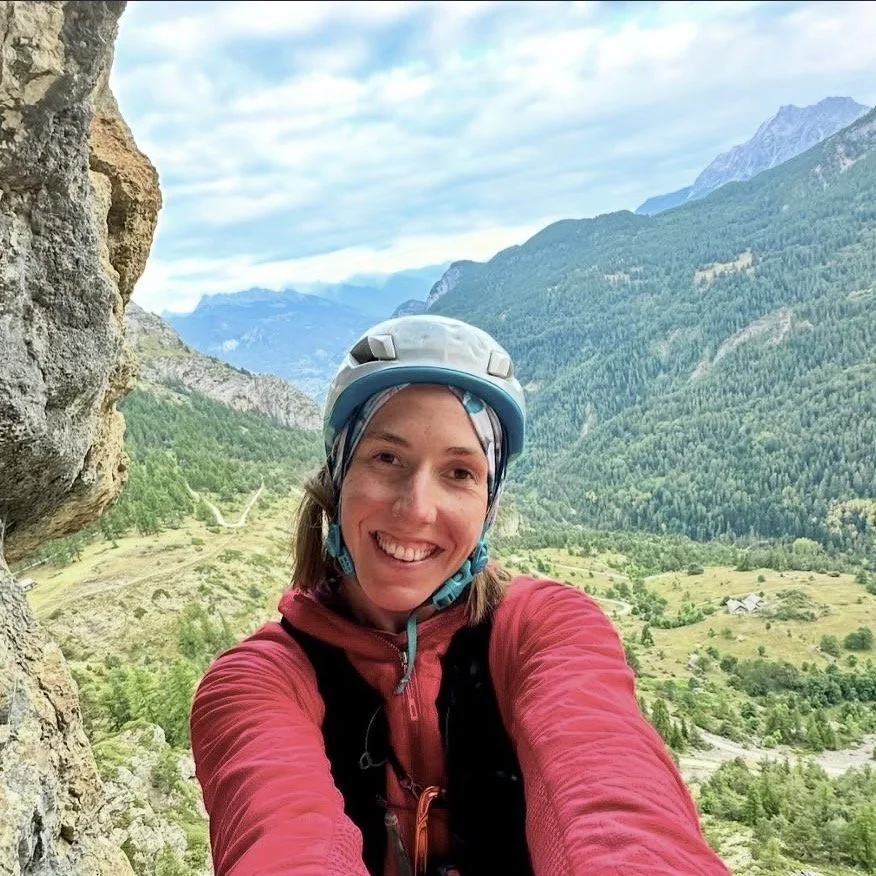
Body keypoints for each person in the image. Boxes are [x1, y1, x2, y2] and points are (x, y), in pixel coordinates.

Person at [190, 314, 730, 876]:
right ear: (339, 474)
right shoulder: (257, 682)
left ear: (488, 505)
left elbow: (616, 804)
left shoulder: (546, 630)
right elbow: (281, 836)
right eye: (387, 458)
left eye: (459, 473)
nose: (416, 508)